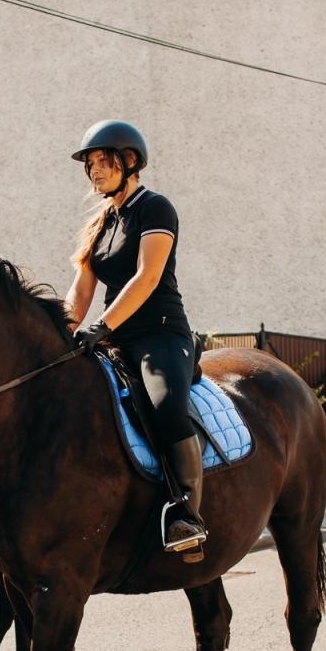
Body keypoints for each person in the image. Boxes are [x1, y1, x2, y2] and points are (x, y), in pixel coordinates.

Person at [63, 120, 207, 556]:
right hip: (115, 339)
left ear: (129, 162)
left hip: (160, 336)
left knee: (165, 406)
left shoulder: (155, 208)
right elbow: (81, 291)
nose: (94, 171)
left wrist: (102, 325)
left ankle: (187, 512)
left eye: (102, 161)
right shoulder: (101, 223)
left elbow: (147, 277)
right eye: (90, 164)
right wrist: (61, 331)